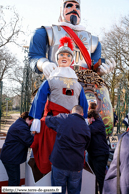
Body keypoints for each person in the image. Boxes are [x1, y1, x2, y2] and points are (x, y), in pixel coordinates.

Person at [29, 36, 88, 174]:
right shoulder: (51, 79)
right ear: (57, 57)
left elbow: (83, 103)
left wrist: (84, 118)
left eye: (68, 55)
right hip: (54, 124)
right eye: (61, 54)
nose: (64, 57)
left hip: (72, 125)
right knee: (52, 149)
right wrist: (37, 119)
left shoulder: (78, 84)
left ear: (71, 59)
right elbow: (40, 98)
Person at [28, 0, 116, 79]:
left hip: (85, 85)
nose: (74, 8)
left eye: (77, 7)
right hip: (56, 80)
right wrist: (44, 64)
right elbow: (34, 57)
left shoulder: (94, 41)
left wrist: (101, 70)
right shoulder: (46, 33)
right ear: (61, 9)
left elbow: (94, 68)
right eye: (69, 5)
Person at [45, 105, 91, 194]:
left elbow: (48, 121)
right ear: (82, 114)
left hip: (60, 163)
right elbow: (86, 146)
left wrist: (49, 114)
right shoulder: (86, 128)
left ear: (71, 112)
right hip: (76, 166)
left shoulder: (63, 118)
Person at [0, 112, 34, 186]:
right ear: (27, 118)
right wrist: (34, 134)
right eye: (32, 121)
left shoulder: (19, 124)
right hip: (11, 158)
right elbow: (30, 142)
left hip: (10, 157)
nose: (31, 124)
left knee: (14, 180)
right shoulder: (22, 127)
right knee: (14, 182)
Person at [87, 109, 109, 194]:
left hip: (100, 155)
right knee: (94, 177)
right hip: (94, 154)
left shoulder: (98, 124)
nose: (88, 120)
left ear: (92, 118)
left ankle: (103, 191)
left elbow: (89, 130)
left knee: (100, 178)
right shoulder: (96, 123)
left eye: (88, 118)